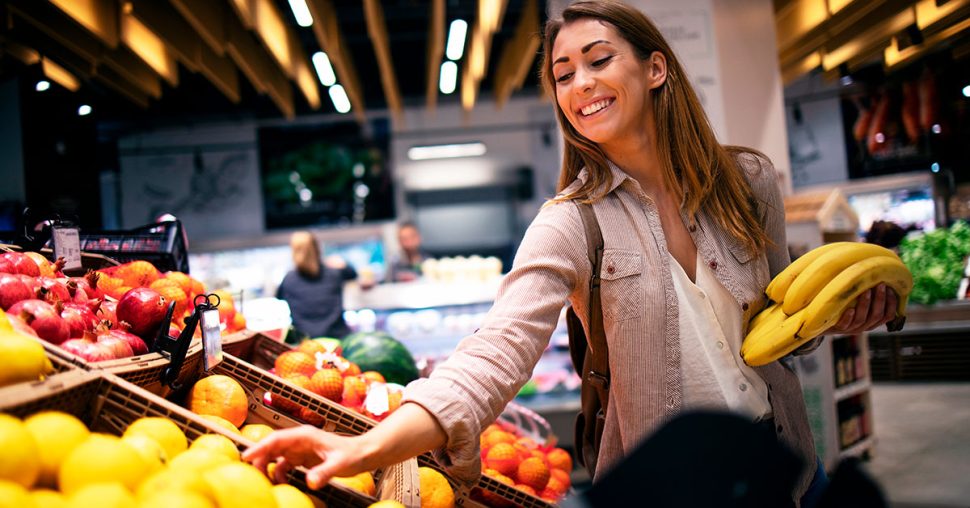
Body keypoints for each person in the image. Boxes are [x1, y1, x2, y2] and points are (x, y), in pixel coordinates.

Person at [244, 3, 899, 506]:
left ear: (655, 67)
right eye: (563, 74)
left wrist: (841, 316)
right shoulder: (572, 223)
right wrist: (367, 444)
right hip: (662, 490)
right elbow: (494, 354)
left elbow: (780, 329)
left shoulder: (750, 182)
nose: (579, 82)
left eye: (598, 60)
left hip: (783, 469)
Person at [276, 231, 359, 339]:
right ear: (317, 249)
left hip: (305, 342)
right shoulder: (334, 273)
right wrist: (342, 263)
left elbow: (279, 296)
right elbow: (353, 274)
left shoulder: (289, 279)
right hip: (338, 338)